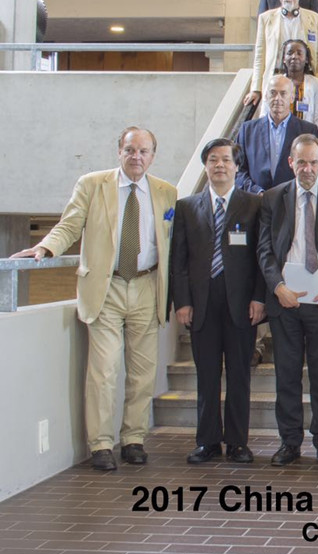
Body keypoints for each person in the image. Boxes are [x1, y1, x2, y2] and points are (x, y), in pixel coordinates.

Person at [13, 127, 176, 471]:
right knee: (104, 371)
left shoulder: (167, 192)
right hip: (106, 287)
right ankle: (101, 444)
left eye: (143, 151)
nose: (136, 157)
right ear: (119, 151)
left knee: (142, 373)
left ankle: (133, 439)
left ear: (152, 156)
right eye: (130, 150)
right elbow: (70, 225)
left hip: (147, 286)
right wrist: (45, 247)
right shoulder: (92, 184)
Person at [257, 134, 318, 467]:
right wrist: (277, 287)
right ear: (290, 163)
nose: (307, 169)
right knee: (287, 375)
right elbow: (265, 250)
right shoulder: (273, 198)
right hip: (286, 301)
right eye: (301, 162)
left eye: (313, 162)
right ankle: (289, 441)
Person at [171, 138, 264, 465]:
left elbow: (262, 257)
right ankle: (207, 441)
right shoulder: (187, 207)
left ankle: (237, 442)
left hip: (242, 304)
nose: (220, 165)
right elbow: (179, 260)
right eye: (213, 159)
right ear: (206, 165)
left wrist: (259, 298)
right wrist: (182, 302)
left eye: (226, 159)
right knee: (207, 376)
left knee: (239, 375)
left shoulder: (254, 206)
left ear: (237, 166)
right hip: (202, 304)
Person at [246, 0, 318, 107]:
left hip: (306, 80)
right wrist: (256, 88)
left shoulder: (314, 18)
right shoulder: (265, 18)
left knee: (305, 116)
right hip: (275, 79)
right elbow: (259, 56)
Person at [236, 75, 318, 194]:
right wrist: (256, 191)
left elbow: (312, 172)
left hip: (292, 200)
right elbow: (238, 170)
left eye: (283, 93)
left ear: (292, 98)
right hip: (255, 199)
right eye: (273, 93)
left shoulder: (308, 130)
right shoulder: (247, 130)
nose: (277, 98)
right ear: (266, 96)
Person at [278, 39, 318, 136]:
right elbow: (265, 115)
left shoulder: (316, 84)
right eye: (290, 53)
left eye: (299, 53)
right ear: (284, 58)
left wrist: (306, 140)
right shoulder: (275, 83)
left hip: (308, 140)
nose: (294, 56)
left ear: (306, 59)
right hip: (279, 138)